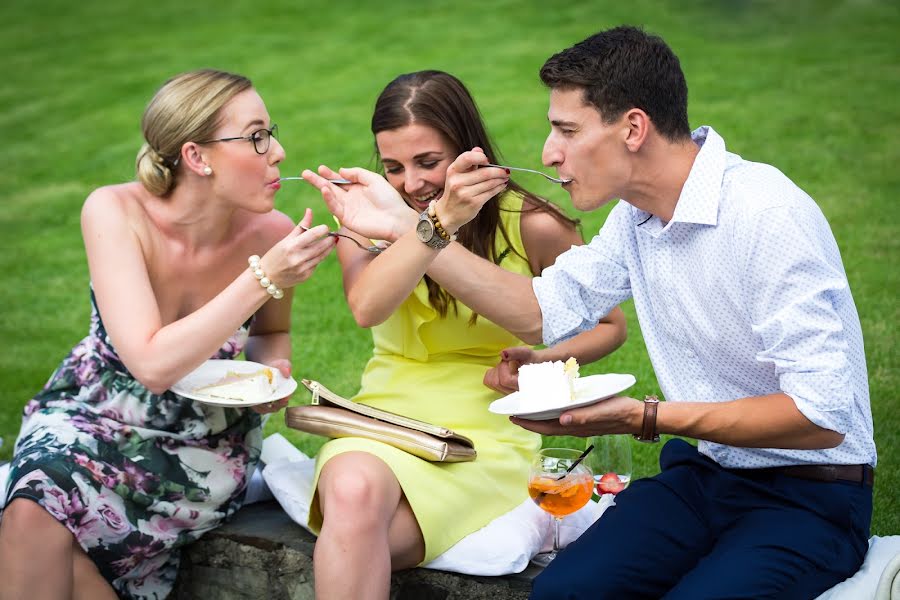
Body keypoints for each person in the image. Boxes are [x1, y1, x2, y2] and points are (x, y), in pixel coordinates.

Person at [307, 27, 876, 600]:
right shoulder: (635, 219)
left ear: (633, 127)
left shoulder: (767, 214)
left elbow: (822, 414)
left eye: (566, 130)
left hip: (813, 494)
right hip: (705, 479)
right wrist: (420, 228)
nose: (548, 153)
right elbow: (538, 312)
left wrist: (644, 417)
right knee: (562, 593)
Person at [0, 69, 336, 599]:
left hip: (202, 440)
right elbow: (152, 365)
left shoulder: (271, 232)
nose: (278, 151)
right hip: (93, 410)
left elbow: (273, 330)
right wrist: (264, 277)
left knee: (44, 525)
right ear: (197, 157)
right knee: (32, 507)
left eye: (270, 132)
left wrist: (272, 372)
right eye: (256, 136)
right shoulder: (115, 211)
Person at [300, 70, 626, 599]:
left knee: (358, 541)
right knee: (354, 488)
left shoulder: (533, 226)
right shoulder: (372, 218)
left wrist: (541, 358)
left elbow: (610, 327)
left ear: (466, 146)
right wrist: (431, 225)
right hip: (384, 411)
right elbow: (367, 306)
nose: (411, 183)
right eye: (394, 167)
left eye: (428, 162)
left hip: (489, 426)